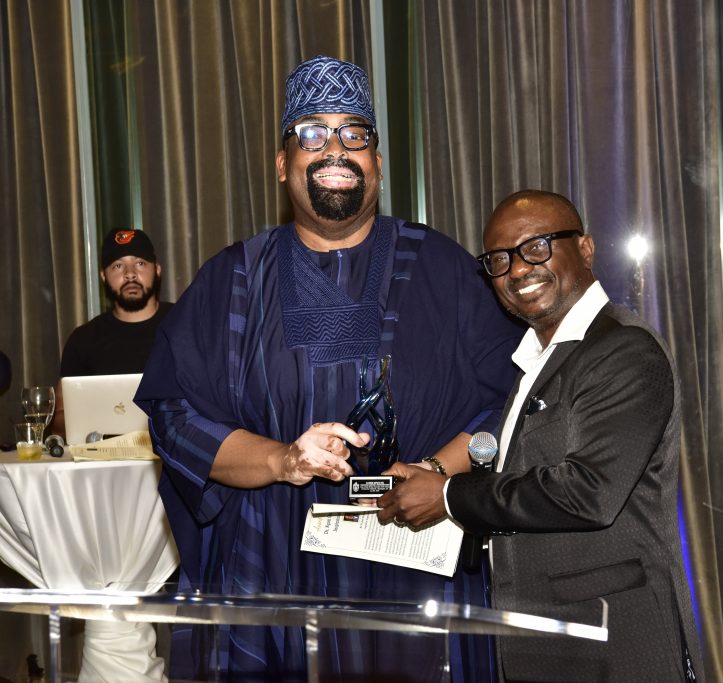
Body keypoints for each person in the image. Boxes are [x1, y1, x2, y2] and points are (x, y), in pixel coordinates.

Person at [135, 55, 521, 682]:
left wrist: (437, 473)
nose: (335, 147)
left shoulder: (445, 271)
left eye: (354, 133)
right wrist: (281, 460)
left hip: (414, 561)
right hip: (273, 568)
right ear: (281, 163)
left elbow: (510, 403)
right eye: (312, 131)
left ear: (377, 163)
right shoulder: (230, 280)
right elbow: (174, 418)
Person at [377, 190, 705, 682]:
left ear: (586, 249)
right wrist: (435, 473)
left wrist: (448, 495)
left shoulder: (622, 350)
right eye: (499, 260)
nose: (517, 270)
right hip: (540, 640)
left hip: (614, 644)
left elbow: (587, 493)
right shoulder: (536, 359)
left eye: (536, 247)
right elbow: (525, 471)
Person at [52, 227, 172, 436]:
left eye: (140, 263)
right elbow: (60, 414)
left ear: (158, 269)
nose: (130, 274)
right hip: (103, 463)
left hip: (175, 460)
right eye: (118, 266)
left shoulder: (185, 324)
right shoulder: (83, 340)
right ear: (103, 276)